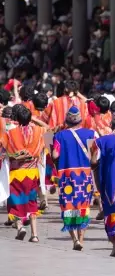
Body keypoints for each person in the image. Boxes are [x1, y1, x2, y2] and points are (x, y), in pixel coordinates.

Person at [52, 106, 97, 251]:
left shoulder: (60, 136)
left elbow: (55, 155)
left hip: (67, 176)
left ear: (67, 121)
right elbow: (97, 153)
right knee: (83, 207)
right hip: (84, 176)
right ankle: (81, 239)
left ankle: (75, 240)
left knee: (69, 207)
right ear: (80, 120)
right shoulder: (90, 134)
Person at [1, 105, 45, 242]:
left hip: (17, 174)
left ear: (17, 119)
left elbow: (4, 151)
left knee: (16, 202)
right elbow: (49, 130)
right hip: (33, 173)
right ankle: (35, 235)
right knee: (32, 202)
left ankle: (20, 227)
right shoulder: (39, 131)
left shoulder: (10, 133)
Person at [91, 108, 115, 257]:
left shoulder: (100, 141)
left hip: (110, 183)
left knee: (111, 214)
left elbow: (94, 160)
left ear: (112, 124)